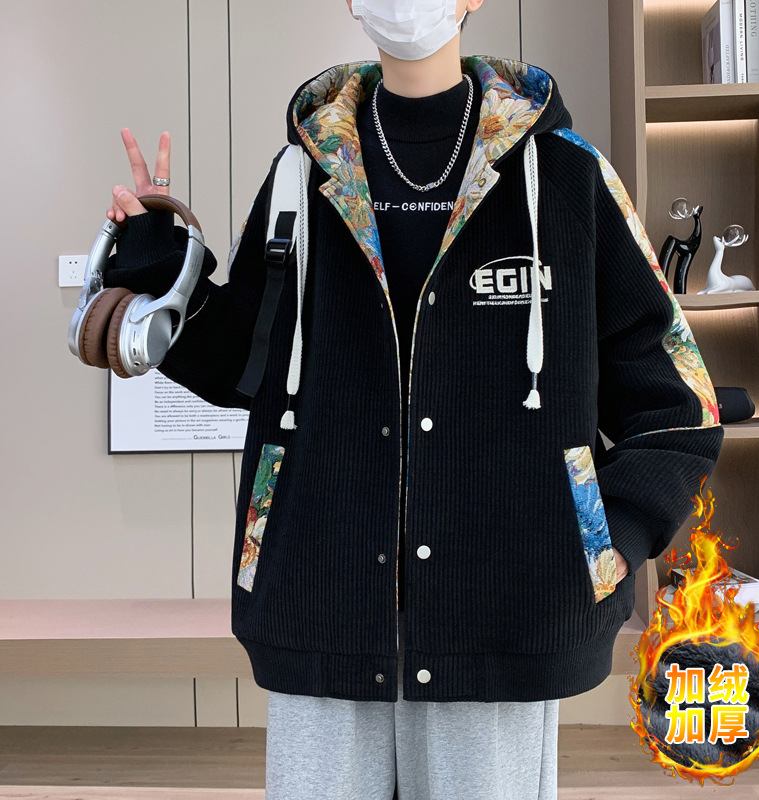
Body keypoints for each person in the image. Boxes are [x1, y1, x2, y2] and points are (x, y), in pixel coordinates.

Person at [103, 1, 725, 798]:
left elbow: (679, 404)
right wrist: (161, 268)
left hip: (501, 617)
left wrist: (601, 546)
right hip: (320, 605)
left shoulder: (568, 176)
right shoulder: (302, 174)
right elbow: (243, 369)